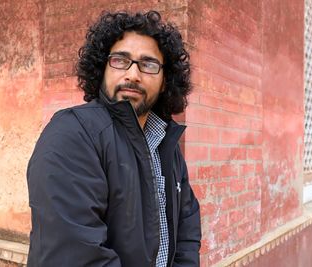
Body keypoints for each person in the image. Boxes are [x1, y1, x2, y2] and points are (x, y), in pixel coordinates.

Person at [27, 10, 201, 267]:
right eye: (120, 60)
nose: (133, 74)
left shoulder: (166, 143)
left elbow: (187, 226)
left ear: (165, 81)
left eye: (149, 64)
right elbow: (75, 256)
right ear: (102, 67)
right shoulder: (72, 134)